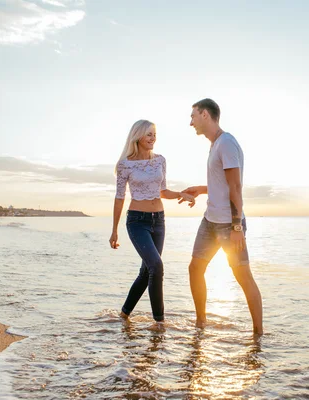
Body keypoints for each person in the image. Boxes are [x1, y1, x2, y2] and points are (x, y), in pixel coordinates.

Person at [181, 99, 264, 335]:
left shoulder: (227, 143)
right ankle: (201, 324)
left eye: (193, 116)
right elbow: (221, 183)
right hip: (210, 222)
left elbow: (235, 186)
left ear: (205, 115)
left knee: (243, 276)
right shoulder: (215, 144)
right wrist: (201, 188)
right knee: (195, 268)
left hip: (229, 225)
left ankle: (258, 334)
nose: (191, 122)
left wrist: (237, 226)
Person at [110, 119, 195, 329]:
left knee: (147, 271)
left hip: (159, 221)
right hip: (137, 221)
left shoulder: (160, 161)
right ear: (137, 136)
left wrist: (181, 194)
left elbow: (163, 191)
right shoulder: (125, 165)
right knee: (156, 266)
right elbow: (119, 197)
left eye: (154, 134)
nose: (153, 138)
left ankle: (123, 314)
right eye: (148, 134)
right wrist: (114, 231)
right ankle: (159, 322)